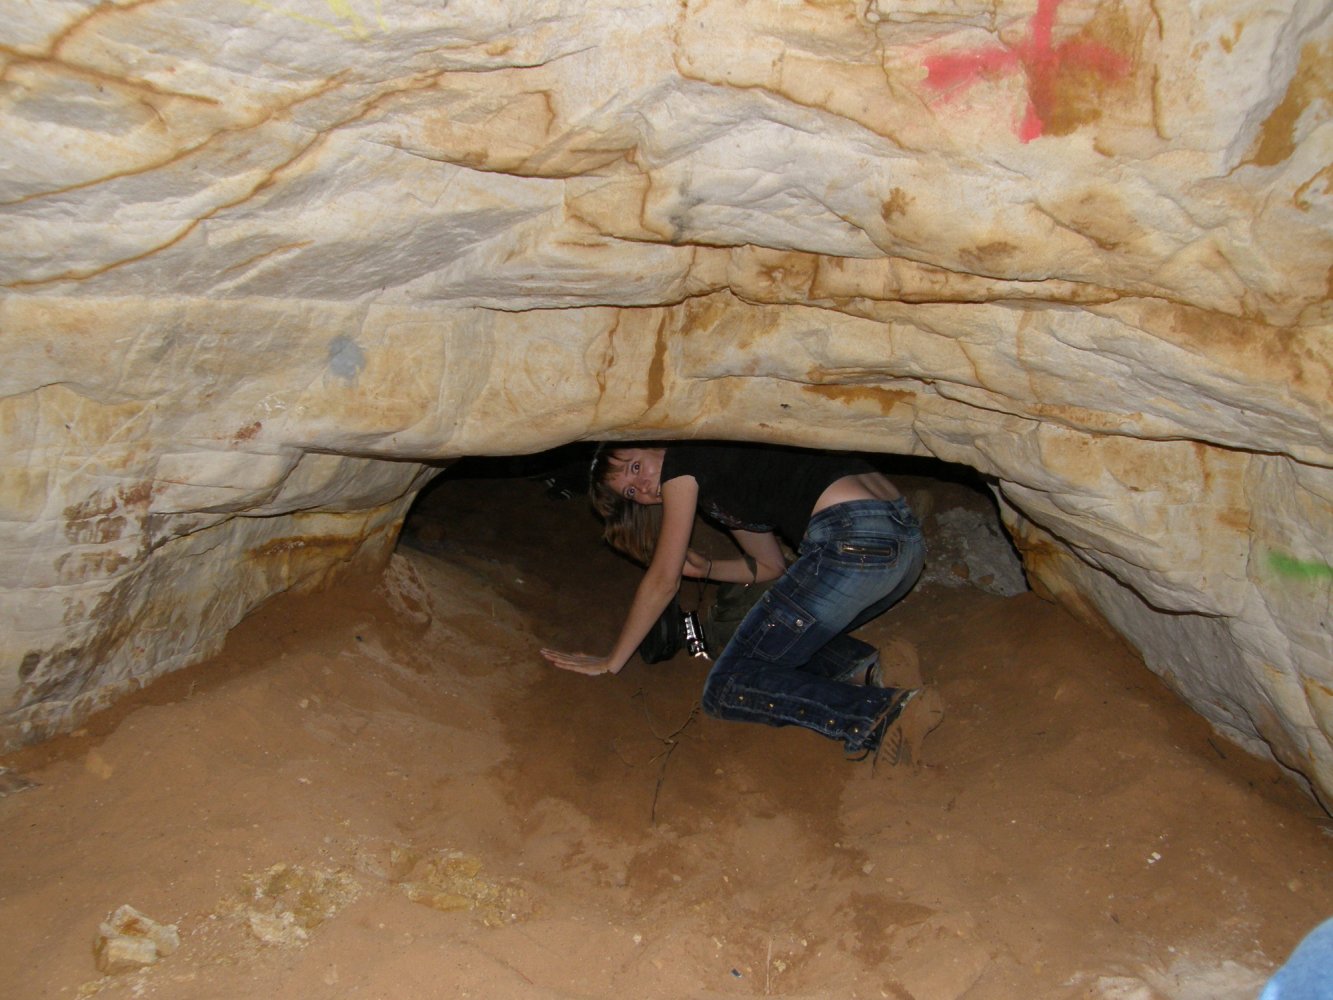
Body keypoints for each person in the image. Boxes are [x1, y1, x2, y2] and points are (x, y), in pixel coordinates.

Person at [540, 441, 942, 762]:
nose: (642, 487)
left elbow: (661, 580)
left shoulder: (684, 456)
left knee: (728, 685)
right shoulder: (725, 479)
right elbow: (769, 567)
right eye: (630, 491)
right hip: (901, 550)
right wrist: (708, 568)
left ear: (655, 442)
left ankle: (879, 714)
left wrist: (612, 661)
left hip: (852, 539)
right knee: (773, 638)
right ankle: (874, 669)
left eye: (635, 466)